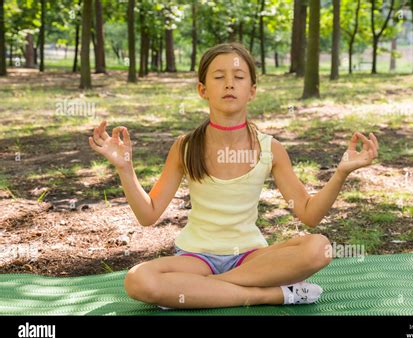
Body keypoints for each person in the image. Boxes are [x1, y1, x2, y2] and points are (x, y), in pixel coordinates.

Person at [88, 42, 379, 310]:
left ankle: (202, 292)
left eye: (239, 77)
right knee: (138, 280)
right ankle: (273, 294)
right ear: (202, 90)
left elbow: (309, 215)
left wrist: (341, 173)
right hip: (196, 257)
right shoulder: (185, 146)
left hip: (250, 257)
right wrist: (125, 168)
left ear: (252, 90)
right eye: (218, 77)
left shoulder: (271, 149)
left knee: (319, 247)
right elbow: (148, 215)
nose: (229, 83)